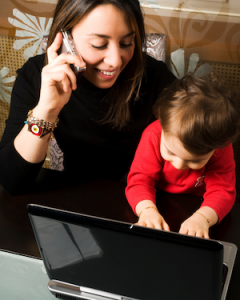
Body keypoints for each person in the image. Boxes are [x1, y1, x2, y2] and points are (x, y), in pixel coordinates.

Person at [0, 0, 175, 194]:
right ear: (66, 39)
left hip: (143, 199)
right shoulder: (36, 76)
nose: (115, 60)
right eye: (99, 45)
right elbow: (11, 180)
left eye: (127, 43)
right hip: (76, 196)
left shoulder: (156, 76)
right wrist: (47, 110)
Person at [126, 74, 240, 239]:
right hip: (155, 199)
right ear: (163, 127)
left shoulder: (221, 145)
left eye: (195, 160)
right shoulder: (153, 135)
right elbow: (139, 181)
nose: (179, 165)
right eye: (171, 152)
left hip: (197, 204)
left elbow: (222, 190)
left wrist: (202, 218)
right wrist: (147, 211)